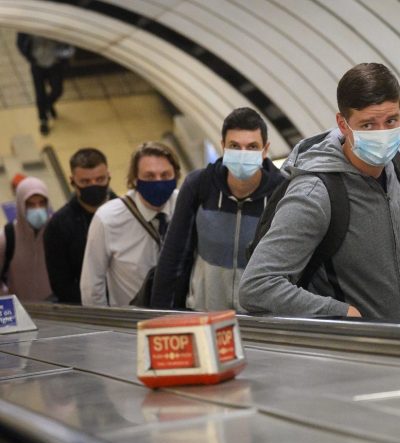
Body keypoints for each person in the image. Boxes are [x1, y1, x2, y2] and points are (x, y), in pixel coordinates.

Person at [239, 63, 400, 320]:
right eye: (367, 125)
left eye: (391, 121)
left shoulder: (398, 166)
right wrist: (343, 313)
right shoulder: (315, 193)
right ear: (342, 124)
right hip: (365, 343)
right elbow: (257, 285)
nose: (383, 134)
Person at [150, 108, 284, 312]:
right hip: (205, 314)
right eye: (234, 146)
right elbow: (173, 254)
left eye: (252, 147)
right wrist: (160, 313)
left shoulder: (282, 192)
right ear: (223, 147)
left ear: (265, 150)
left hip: (261, 319)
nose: (243, 154)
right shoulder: (199, 185)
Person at [80, 142, 180, 307]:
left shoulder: (186, 205)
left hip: (181, 314)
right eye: (149, 176)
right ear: (135, 179)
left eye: (165, 175)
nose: (158, 181)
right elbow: (92, 285)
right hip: (132, 318)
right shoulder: (107, 219)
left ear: (176, 175)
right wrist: (103, 321)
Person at [44, 148, 115, 304]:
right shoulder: (58, 226)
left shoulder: (128, 213)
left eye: (100, 179)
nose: (94, 186)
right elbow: (61, 284)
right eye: (85, 182)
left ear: (109, 176)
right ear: (72, 181)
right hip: (86, 309)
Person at [0, 177, 53, 301]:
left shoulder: (56, 231)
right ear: (20, 205)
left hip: (59, 307)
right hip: (20, 308)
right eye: (30, 204)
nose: (37, 209)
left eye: (41, 203)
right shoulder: (6, 238)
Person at [16, 33, 74, 136]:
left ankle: (48, 104)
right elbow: (21, 42)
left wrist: (63, 57)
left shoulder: (57, 27)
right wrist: (29, 57)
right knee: (40, 93)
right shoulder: (28, 30)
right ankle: (43, 120)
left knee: (57, 90)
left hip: (55, 63)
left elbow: (68, 43)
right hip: (37, 64)